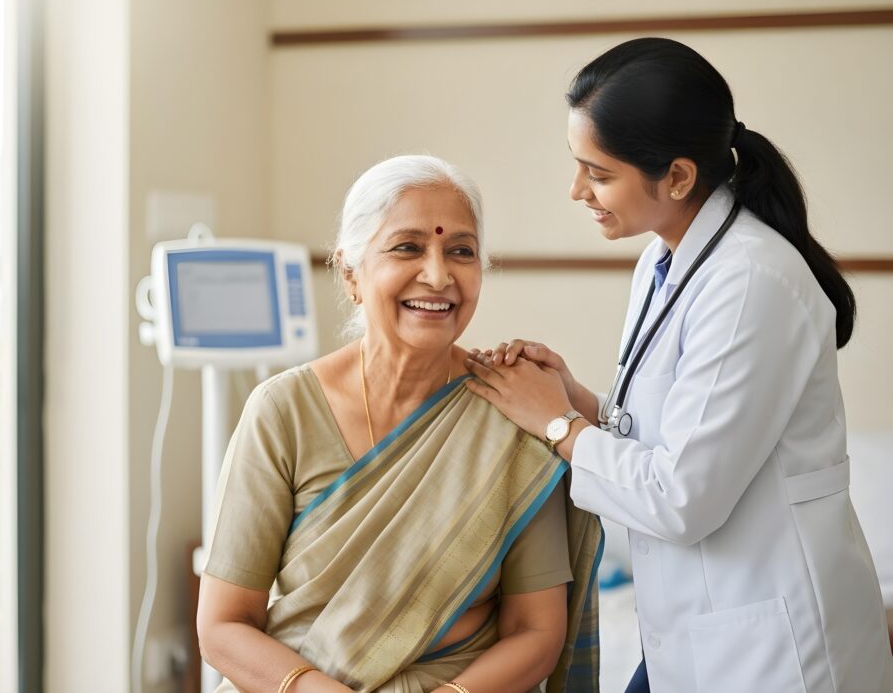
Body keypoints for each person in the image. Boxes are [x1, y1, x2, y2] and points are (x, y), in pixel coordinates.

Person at [464, 38, 893, 692]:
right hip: (699, 630)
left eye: (598, 173)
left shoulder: (751, 280)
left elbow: (682, 496)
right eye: (577, 165)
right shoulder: (665, 258)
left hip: (773, 650)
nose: (576, 189)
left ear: (679, 177)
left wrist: (557, 426)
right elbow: (677, 428)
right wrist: (579, 399)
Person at [196, 155, 604, 693]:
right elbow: (224, 625)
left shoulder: (512, 411)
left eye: (460, 250)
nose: (438, 275)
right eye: (407, 247)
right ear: (350, 274)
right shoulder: (282, 410)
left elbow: (535, 631)